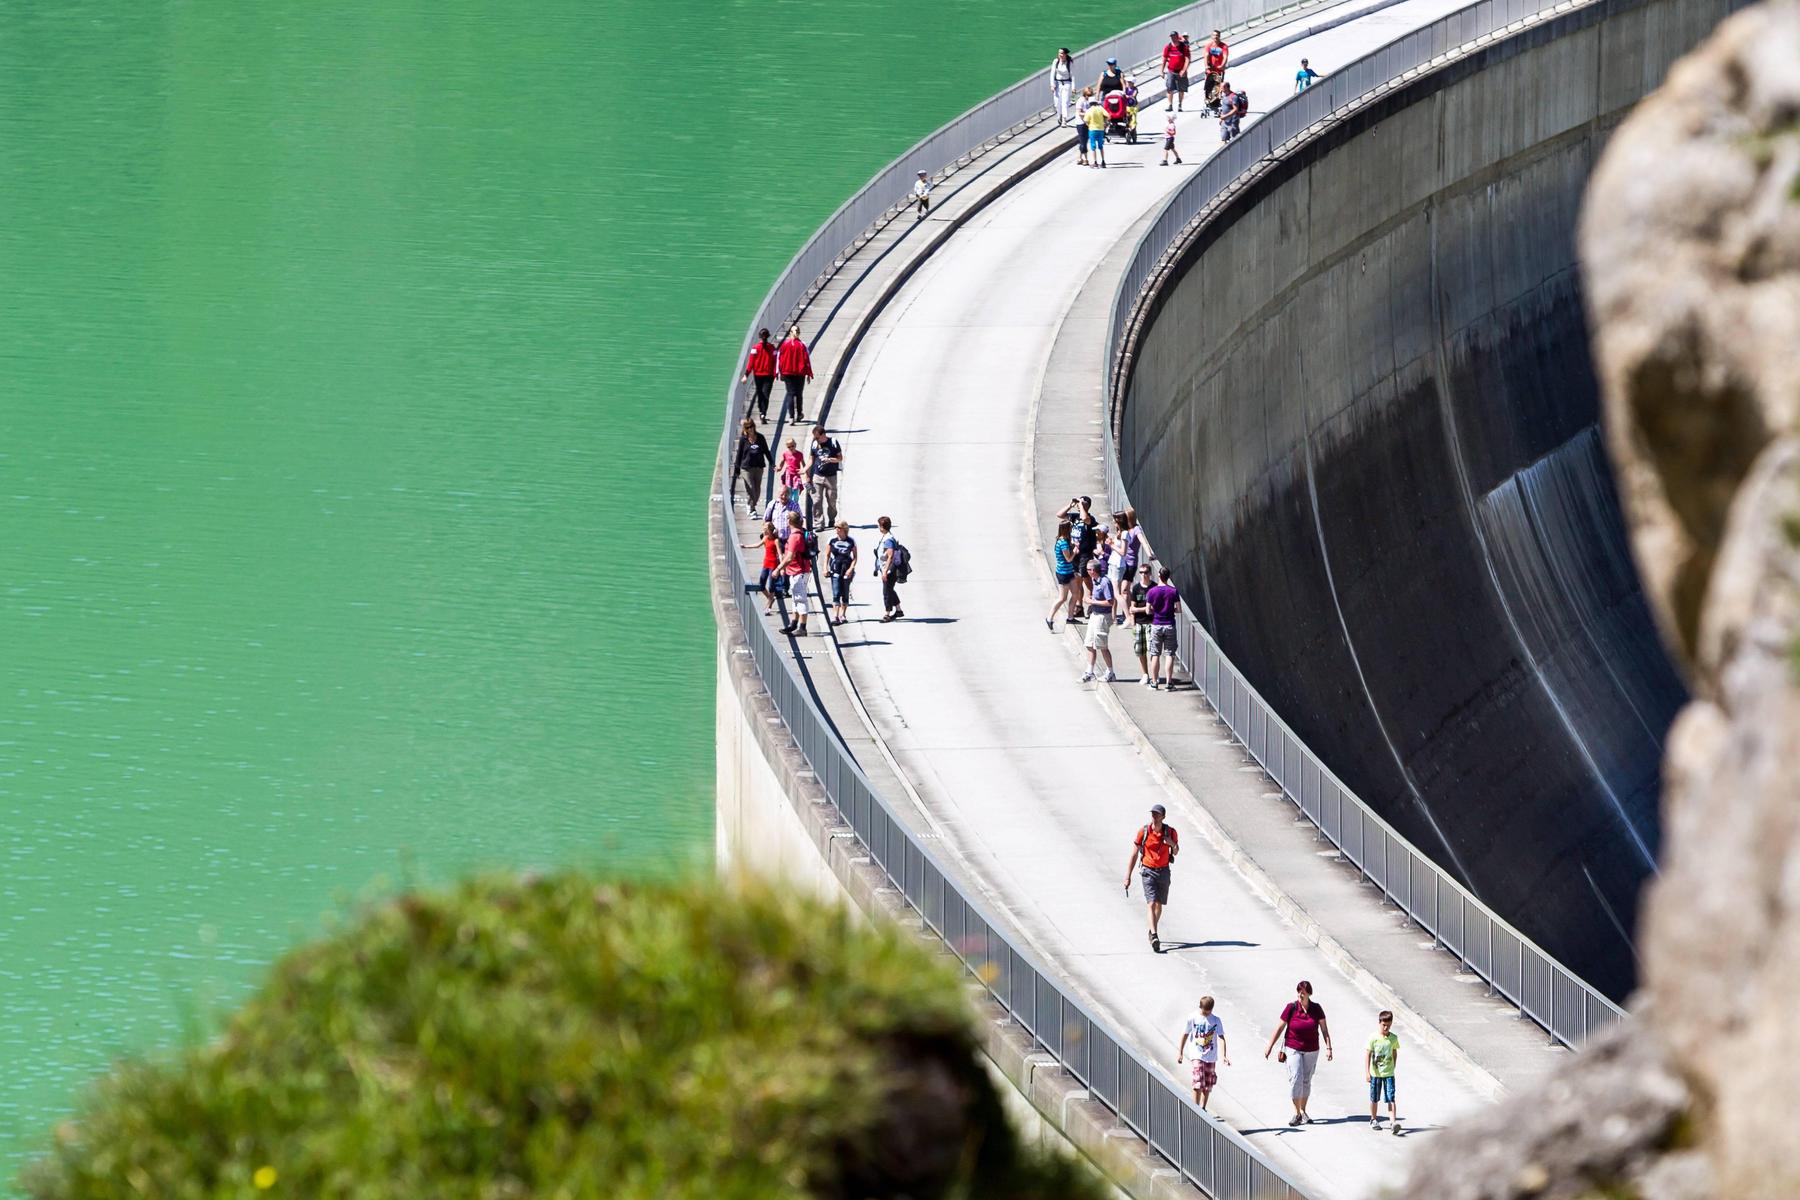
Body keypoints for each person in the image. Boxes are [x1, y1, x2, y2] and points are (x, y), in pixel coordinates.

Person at [1263, 980, 1333, 1126]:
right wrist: (1270, 1045)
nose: (1301, 994)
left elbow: (1324, 1029)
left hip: (1312, 1049)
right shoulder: (1291, 1008)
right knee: (1296, 1078)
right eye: (1299, 991)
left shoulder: (1316, 1008)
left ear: (1309, 994)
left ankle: (1303, 1110)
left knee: (1306, 1080)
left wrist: (1329, 1048)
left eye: (1304, 992)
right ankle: (1296, 1113)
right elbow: (1280, 1027)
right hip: (1293, 1047)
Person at [1123, 803, 1179, 952]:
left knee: (1159, 905)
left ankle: (1152, 929)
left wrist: (1171, 843)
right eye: (1153, 814)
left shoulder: (1171, 832)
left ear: (1163, 817)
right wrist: (1127, 876)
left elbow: (1177, 851)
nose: (1154, 816)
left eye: (1157, 814)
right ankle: (1154, 935)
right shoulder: (1144, 831)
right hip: (1148, 871)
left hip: (1164, 871)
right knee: (1151, 903)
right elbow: (1134, 854)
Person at [1177, 996, 1229, 1109]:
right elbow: (1185, 1034)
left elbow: (1221, 1037)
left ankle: (1203, 1108)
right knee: (1198, 1082)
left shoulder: (1216, 1020)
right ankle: (1195, 1109)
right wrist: (1180, 1052)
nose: (1206, 1013)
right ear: (1200, 1007)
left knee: (1208, 1084)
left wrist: (1224, 1055)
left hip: (1211, 1056)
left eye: (1208, 1011)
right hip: (1197, 1055)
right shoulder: (1192, 1018)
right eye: (1204, 1011)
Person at [777, 510, 814, 637]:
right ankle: (794, 623)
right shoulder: (800, 533)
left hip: (799, 572)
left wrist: (778, 569)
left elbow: (789, 557)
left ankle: (802, 627)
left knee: (800, 599)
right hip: (798, 571)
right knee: (795, 599)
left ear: (789, 521)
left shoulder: (794, 537)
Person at [1081, 559, 1117, 683]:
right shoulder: (1094, 580)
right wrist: (1091, 599)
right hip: (1095, 614)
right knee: (1089, 644)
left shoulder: (1104, 582)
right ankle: (1089, 671)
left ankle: (1110, 672)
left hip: (1102, 617)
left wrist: (1093, 601)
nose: (1086, 572)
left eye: (1087, 569)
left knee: (1102, 645)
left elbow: (1110, 601)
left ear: (1092, 570)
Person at [1145, 566, 1181, 689]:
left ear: (1159, 576)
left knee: (1155, 654)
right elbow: (1179, 609)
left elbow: (1147, 611)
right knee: (1169, 654)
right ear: (1168, 577)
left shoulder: (1152, 591)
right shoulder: (1173, 591)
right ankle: (1169, 683)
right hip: (1169, 624)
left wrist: (1156, 611)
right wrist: (1171, 609)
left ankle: (1154, 682)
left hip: (1156, 624)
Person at [1365, 1010, 1400, 1133]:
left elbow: (1395, 1052)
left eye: (1388, 1025)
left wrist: (1393, 1066)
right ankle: (1373, 1119)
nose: (1386, 1027)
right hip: (1376, 1074)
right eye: (1383, 1025)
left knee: (1391, 1097)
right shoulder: (1373, 1038)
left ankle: (1393, 1122)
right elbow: (1368, 1054)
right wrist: (1367, 1072)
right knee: (1374, 1098)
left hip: (1389, 1074)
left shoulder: (1393, 1038)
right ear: (1379, 1023)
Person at [741, 520, 782, 616]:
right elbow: (757, 545)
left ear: (769, 530)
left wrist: (780, 568)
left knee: (771, 586)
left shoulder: (776, 541)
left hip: (773, 565)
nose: (763, 530)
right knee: (761, 584)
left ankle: (768, 607)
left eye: (765, 529)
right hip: (766, 564)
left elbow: (779, 554)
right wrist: (746, 546)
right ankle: (771, 599)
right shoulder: (765, 538)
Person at [807, 425, 843, 531]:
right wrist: (805, 471)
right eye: (815, 437)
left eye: (817, 437)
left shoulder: (833, 442)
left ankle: (832, 518)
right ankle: (819, 523)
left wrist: (830, 459)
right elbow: (811, 460)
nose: (816, 439)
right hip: (818, 476)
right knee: (816, 500)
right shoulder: (814, 444)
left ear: (823, 435)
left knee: (832, 500)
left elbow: (840, 458)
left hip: (831, 476)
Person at [776, 325, 814, 423]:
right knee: (799, 394)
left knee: (790, 394)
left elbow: (779, 359)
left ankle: (791, 417)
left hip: (787, 372)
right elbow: (807, 360)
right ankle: (799, 413)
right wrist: (809, 373)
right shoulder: (802, 345)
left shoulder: (784, 345)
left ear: (790, 333)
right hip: (800, 373)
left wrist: (778, 372)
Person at [1045, 519, 1078, 631]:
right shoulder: (1063, 542)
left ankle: (1070, 616)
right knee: (1062, 598)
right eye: (1070, 527)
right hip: (1063, 572)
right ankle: (1049, 618)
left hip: (1069, 571)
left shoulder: (1063, 540)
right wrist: (1075, 551)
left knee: (1075, 593)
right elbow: (1068, 559)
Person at [733, 417, 770, 512]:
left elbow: (766, 451)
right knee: (751, 487)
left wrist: (772, 463)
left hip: (758, 467)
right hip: (746, 468)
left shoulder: (760, 438)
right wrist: (737, 469)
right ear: (745, 428)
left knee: (757, 490)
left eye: (751, 426)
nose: (750, 429)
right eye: (748, 427)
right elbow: (739, 454)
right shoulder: (743, 440)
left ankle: (752, 505)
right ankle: (751, 508)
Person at [826, 519, 858, 626]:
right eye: (835, 528)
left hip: (846, 568)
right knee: (836, 592)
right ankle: (835, 615)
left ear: (844, 529)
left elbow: (855, 557)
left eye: (838, 528)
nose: (836, 530)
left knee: (845, 592)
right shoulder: (832, 540)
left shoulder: (851, 541)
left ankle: (843, 614)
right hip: (835, 568)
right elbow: (827, 555)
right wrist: (825, 568)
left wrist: (851, 569)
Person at [742, 328, 778, 422]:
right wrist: (776, 373)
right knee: (766, 394)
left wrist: (746, 375)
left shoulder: (755, 348)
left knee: (760, 394)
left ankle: (761, 411)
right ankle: (763, 413)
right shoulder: (772, 348)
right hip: (769, 375)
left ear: (760, 337)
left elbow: (751, 363)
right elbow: (776, 362)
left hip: (758, 375)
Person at [874, 515, 905, 622]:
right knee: (890, 589)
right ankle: (899, 610)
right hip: (887, 569)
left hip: (889, 570)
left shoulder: (888, 540)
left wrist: (885, 572)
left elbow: (890, 556)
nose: (879, 527)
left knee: (886, 592)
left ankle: (887, 614)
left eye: (879, 525)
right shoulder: (887, 537)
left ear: (882, 527)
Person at [1129, 564, 1154, 684]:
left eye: (1145, 572)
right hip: (1139, 623)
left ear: (1150, 573)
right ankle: (1145, 674)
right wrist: (1133, 621)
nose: (1143, 575)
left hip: (1152, 622)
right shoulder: (1136, 588)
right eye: (1141, 572)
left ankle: (1154, 674)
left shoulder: (1154, 588)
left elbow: (1154, 609)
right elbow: (1132, 607)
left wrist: (1139, 609)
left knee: (1152, 650)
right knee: (1140, 650)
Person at [1162, 31, 1190, 110]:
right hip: (1171, 70)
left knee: (1181, 89)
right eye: (1171, 37)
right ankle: (1170, 105)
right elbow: (1164, 59)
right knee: (1169, 88)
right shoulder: (1168, 47)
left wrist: (1184, 70)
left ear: (1177, 37)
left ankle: (1180, 105)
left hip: (1181, 71)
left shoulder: (1183, 47)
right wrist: (1161, 70)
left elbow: (1187, 58)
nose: (1172, 38)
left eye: (1174, 36)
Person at [1202, 31, 1230, 109]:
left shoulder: (1223, 46)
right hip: (1210, 70)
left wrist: (1222, 65)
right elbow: (1206, 55)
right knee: (1209, 86)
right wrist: (1206, 66)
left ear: (1219, 36)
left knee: (1218, 86)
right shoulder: (1209, 45)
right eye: (1214, 35)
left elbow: (1225, 56)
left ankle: (1216, 102)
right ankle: (1208, 100)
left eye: (1217, 35)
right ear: (1212, 36)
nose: (1215, 37)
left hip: (1219, 70)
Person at [777, 436, 805, 509]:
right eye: (789, 447)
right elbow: (782, 461)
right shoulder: (785, 454)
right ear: (787, 447)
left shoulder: (799, 454)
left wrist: (804, 471)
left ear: (795, 445)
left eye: (792, 446)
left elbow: (803, 464)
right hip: (788, 475)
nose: (791, 448)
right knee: (788, 491)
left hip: (796, 475)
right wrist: (779, 468)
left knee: (796, 492)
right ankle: (789, 506)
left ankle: (795, 505)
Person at [1052, 48, 1076, 125]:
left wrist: (1073, 87)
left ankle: (1064, 120)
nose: (1060, 55)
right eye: (1059, 53)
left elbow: (1073, 75)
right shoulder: (1056, 61)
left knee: (1065, 102)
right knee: (1057, 103)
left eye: (1062, 53)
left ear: (1065, 54)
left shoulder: (1070, 63)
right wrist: (1052, 84)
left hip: (1066, 83)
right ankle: (1059, 115)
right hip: (1057, 83)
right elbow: (1052, 73)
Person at [1084, 95, 1108, 169]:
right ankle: (1103, 161)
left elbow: (1086, 120)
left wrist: (1088, 125)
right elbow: (1108, 115)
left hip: (1092, 130)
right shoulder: (1100, 108)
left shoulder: (1089, 110)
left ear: (1090, 103)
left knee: (1093, 146)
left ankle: (1095, 162)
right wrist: (1105, 122)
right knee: (1101, 146)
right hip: (1101, 129)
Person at [1074, 87, 1095, 165]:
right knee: (1083, 141)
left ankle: (1079, 158)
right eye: (1088, 95)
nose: (1088, 97)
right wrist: (1088, 114)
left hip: (1086, 122)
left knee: (1084, 141)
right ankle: (1085, 159)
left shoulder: (1087, 101)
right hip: (1081, 123)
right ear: (1085, 94)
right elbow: (1079, 113)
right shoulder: (1081, 101)